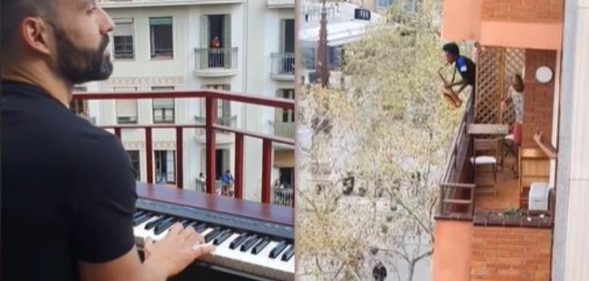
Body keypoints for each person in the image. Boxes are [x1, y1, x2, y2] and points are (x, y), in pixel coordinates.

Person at [1, 1, 214, 281]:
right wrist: (159, 264)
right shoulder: (90, 154)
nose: (108, 23)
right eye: (89, 10)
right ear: (37, 35)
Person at [502, 74, 525, 145]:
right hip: (518, 118)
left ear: (521, 82)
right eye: (514, 86)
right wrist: (505, 103)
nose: (516, 87)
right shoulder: (511, 89)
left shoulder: (526, 88)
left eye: (517, 85)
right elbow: (509, 98)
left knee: (524, 140)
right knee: (517, 141)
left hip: (527, 118)